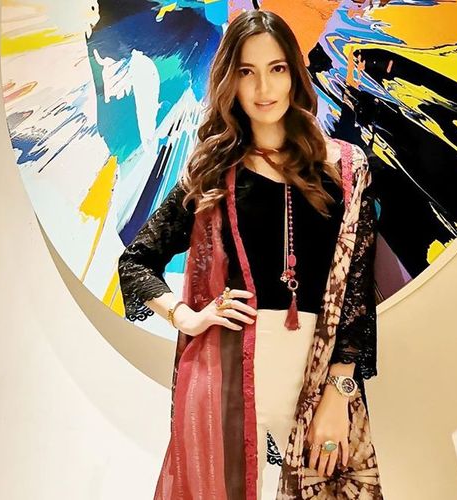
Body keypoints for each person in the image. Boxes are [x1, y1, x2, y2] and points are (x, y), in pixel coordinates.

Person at [118, 9, 383, 500]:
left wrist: (340, 393)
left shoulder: (346, 169)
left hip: (316, 376)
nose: (264, 87)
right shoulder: (212, 174)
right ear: (231, 82)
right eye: (247, 71)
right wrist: (186, 316)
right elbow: (136, 261)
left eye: (276, 68)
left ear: (294, 73)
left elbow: (357, 295)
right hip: (224, 380)